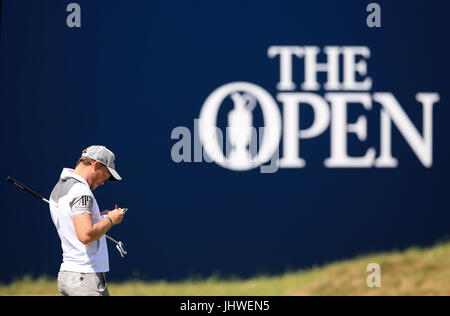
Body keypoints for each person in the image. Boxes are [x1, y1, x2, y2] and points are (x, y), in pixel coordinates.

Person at [49, 145, 125, 296]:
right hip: (85, 278)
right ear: (96, 164)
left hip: (70, 275)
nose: (104, 181)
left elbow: (72, 223)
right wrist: (110, 219)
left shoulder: (60, 187)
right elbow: (85, 235)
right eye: (106, 174)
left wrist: (100, 217)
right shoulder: (81, 191)